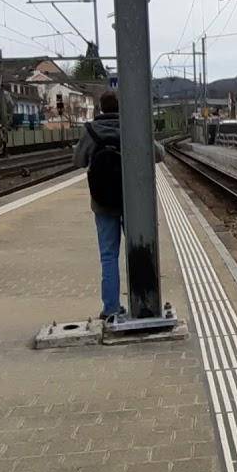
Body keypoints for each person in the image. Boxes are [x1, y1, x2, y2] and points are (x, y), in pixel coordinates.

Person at [72, 90, 161, 321]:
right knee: (137, 250)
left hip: (103, 203)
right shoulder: (132, 126)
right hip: (133, 202)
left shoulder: (91, 131)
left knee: (109, 255)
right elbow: (159, 154)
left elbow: (77, 161)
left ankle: (111, 309)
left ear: (101, 108)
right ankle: (143, 305)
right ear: (121, 107)